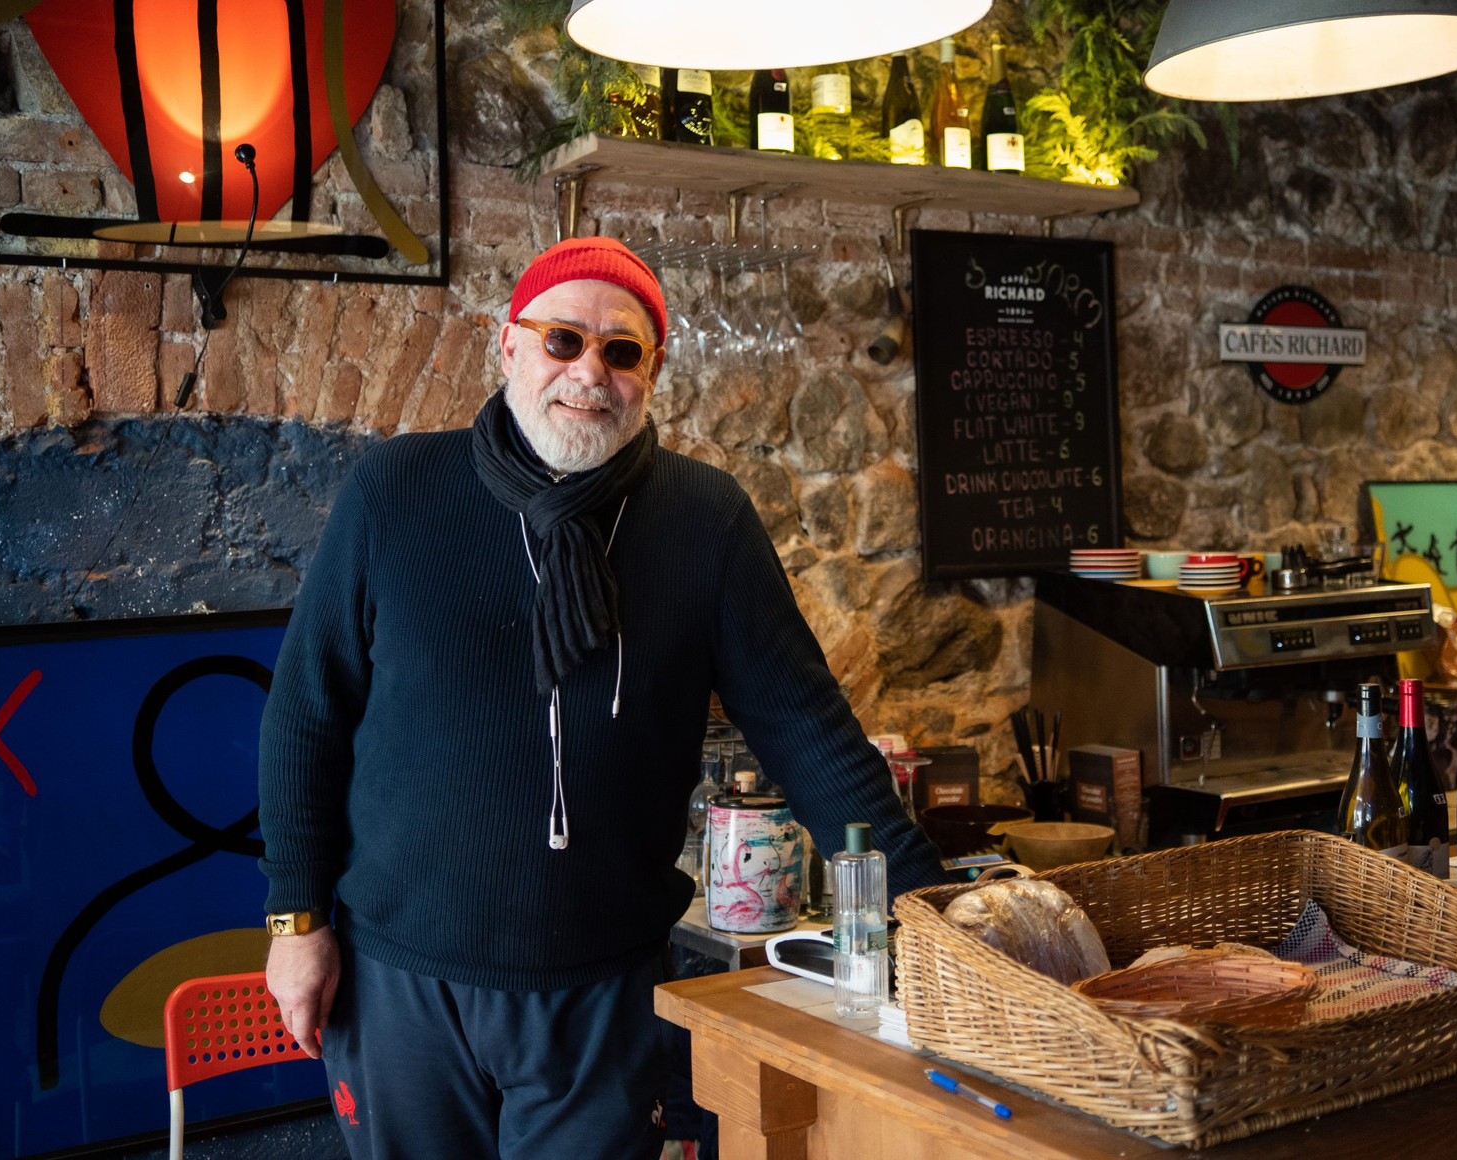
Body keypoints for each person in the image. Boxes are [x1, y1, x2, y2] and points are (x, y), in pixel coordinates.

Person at [258, 237, 944, 1159]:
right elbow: (307, 714)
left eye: (622, 352)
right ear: (509, 347)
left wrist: (929, 908)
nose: (590, 373)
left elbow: (803, 724)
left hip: (602, 991)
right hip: (402, 981)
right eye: (563, 341)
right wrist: (297, 923)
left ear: (651, 371)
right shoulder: (395, 491)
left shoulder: (705, 521)